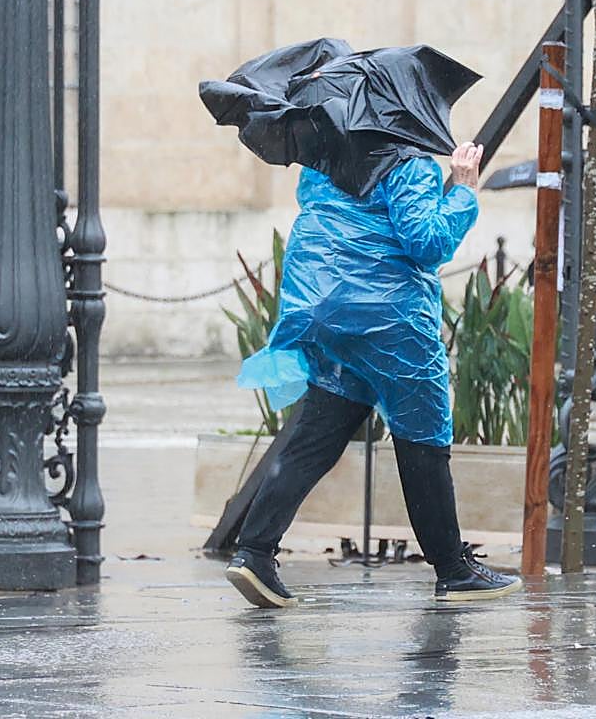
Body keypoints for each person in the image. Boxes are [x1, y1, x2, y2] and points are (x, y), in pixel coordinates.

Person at [224, 141, 523, 608]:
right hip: (392, 321)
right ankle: (452, 571)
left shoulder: (324, 157)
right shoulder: (407, 159)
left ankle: (254, 551)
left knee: (318, 434)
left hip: (329, 313)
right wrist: (463, 190)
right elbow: (427, 243)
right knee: (424, 437)